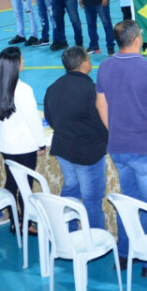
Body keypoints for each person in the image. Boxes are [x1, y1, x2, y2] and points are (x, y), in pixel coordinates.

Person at [95, 20, 147, 267]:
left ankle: (125, 254)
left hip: (118, 147)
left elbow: (100, 105)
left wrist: (114, 130)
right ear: (137, 39)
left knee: (128, 202)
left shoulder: (104, 66)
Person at [44, 46, 108, 229]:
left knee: (71, 188)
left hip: (63, 148)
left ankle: (65, 230)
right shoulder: (91, 91)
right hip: (88, 154)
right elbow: (102, 123)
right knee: (92, 198)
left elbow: (50, 118)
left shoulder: (54, 87)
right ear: (83, 64)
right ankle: (96, 238)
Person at [0, 46, 46, 232]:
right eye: (21, 59)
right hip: (24, 146)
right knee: (25, 185)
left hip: (6, 143)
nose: (23, 61)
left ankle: (15, 219)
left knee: (11, 182)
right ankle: (26, 222)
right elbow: (33, 120)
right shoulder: (23, 90)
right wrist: (41, 142)